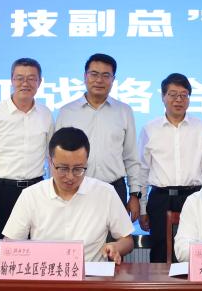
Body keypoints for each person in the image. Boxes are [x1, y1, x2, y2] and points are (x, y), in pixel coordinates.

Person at [1, 126, 134, 263]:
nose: (70, 176)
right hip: (46, 273)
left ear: (87, 162)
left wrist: (116, 247)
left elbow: (127, 240)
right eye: (63, 168)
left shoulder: (105, 193)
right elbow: (10, 243)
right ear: (50, 162)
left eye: (78, 169)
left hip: (91, 274)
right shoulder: (31, 195)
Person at [0, 57, 55, 261]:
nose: (25, 83)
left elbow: (51, 157)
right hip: (3, 192)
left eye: (31, 78)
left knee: (35, 255)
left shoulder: (45, 114)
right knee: (1, 256)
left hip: (36, 190)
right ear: (11, 80)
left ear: (40, 82)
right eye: (20, 78)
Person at [55, 53, 142, 223]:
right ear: (85, 76)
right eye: (94, 74)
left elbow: (131, 157)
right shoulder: (67, 112)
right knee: (76, 236)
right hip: (75, 188)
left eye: (106, 75)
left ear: (113, 79)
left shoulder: (124, 111)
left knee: (114, 238)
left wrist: (134, 195)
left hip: (114, 188)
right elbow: (55, 157)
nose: (99, 80)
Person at [137, 73, 202, 263]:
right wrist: (143, 208)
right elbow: (142, 171)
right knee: (160, 252)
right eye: (172, 94)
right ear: (163, 97)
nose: (178, 100)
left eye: (183, 95)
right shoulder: (150, 129)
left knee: (194, 251)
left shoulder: (201, 127)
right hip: (160, 199)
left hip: (193, 197)